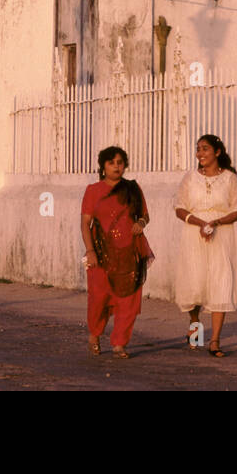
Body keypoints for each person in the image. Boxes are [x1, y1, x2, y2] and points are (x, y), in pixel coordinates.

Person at [173, 134, 237, 358]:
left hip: (221, 236)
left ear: (217, 152)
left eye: (205, 149)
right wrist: (200, 223)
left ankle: (215, 341)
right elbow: (180, 208)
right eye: (198, 149)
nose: (200, 154)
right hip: (194, 236)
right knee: (195, 285)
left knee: (221, 284)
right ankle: (195, 328)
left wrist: (217, 222)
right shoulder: (190, 178)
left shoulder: (230, 179)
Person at [81, 146, 153, 358]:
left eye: (120, 162)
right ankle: (95, 334)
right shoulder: (93, 191)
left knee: (129, 300)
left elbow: (145, 215)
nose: (116, 166)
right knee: (99, 298)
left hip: (130, 251)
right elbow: (85, 223)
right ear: (103, 166)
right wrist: (90, 251)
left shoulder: (132, 188)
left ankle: (119, 343)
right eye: (111, 162)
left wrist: (140, 222)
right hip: (102, 252)